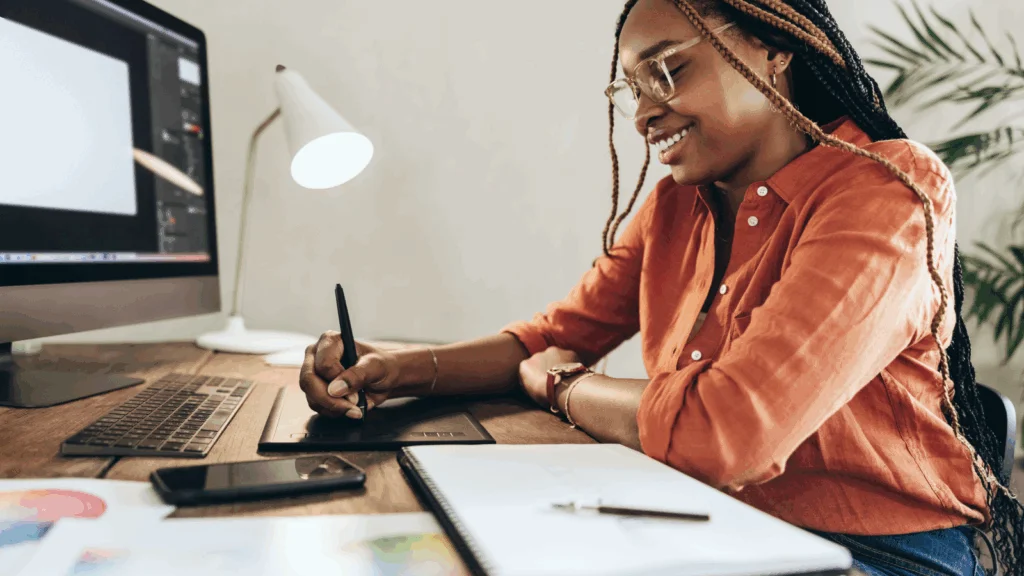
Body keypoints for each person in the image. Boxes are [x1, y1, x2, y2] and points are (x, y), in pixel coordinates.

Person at [299, 1, 1024, 574]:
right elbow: (553, 335)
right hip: (706, 518)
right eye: (632, 90)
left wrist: (563, 388)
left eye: (669, 72)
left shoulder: (888, 190)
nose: (644, 114)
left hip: (881, 552)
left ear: (773, 48)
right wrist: (391, 368)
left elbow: (727, 430)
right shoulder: (679, 204)